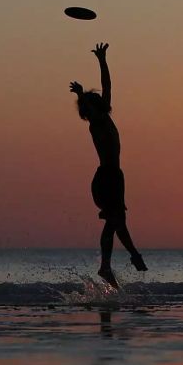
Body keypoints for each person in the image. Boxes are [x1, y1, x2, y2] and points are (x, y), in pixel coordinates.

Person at [69, 43, 147, 288]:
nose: (93, 107)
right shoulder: (96, 123)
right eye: (89, 107)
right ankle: (110, 264)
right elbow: (97, 100)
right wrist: (81, 95)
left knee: (118, 222)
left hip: (115, 176)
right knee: (115, 221)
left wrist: (102, 60)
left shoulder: (104, 117)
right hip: (106, 178)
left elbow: (107, 86)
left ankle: (128, 257)